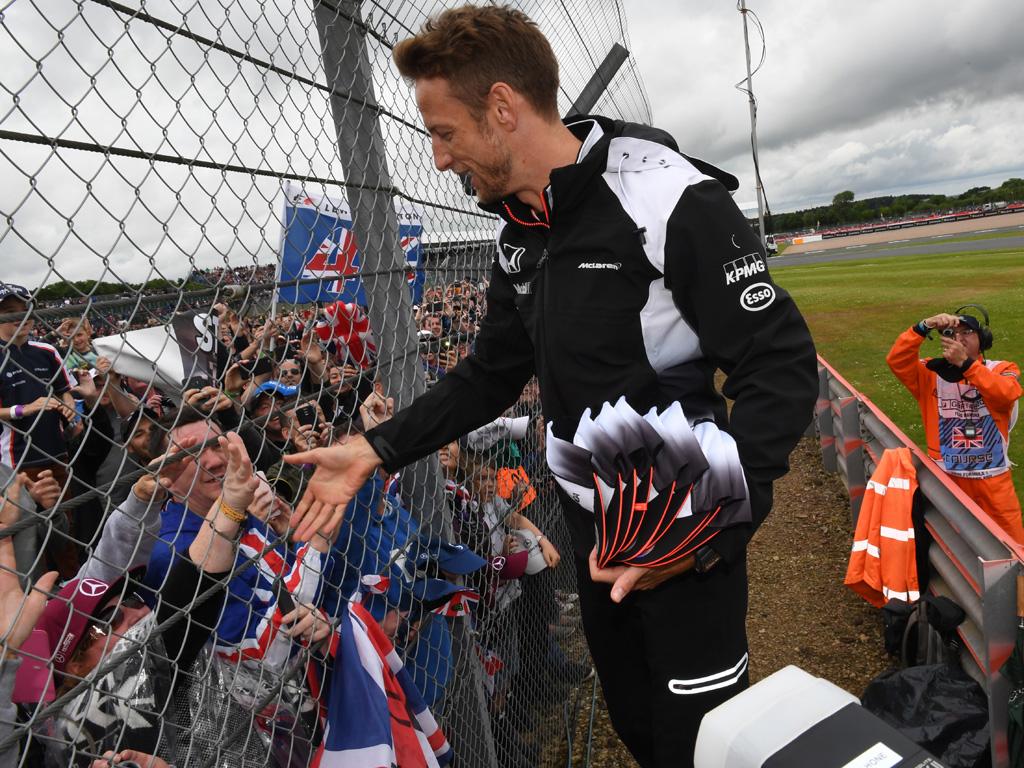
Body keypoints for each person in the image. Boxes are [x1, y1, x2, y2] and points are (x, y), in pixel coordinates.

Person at [282, 6, 818, 766]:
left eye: (443, 132)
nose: (439, 160)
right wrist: (375, 448)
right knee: (640, 727)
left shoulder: (669, 196)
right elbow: (490, 375)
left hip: (685, 535)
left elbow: (780, 362)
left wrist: (712, 526)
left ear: (503, 108)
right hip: (596, 535)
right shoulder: (517, 232)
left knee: (707, 747)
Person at [887, 307, 1022, 542]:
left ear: (983, 339)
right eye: (953, 333)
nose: (960, 338)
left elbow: (1006, 394)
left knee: (1012, 545)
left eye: (967, 332)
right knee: (953, 543)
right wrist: (922, 327)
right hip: (946, 476)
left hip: (991, 477)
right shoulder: (929, 372)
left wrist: (967, 365)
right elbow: (897, 360)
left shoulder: (1001, 369)